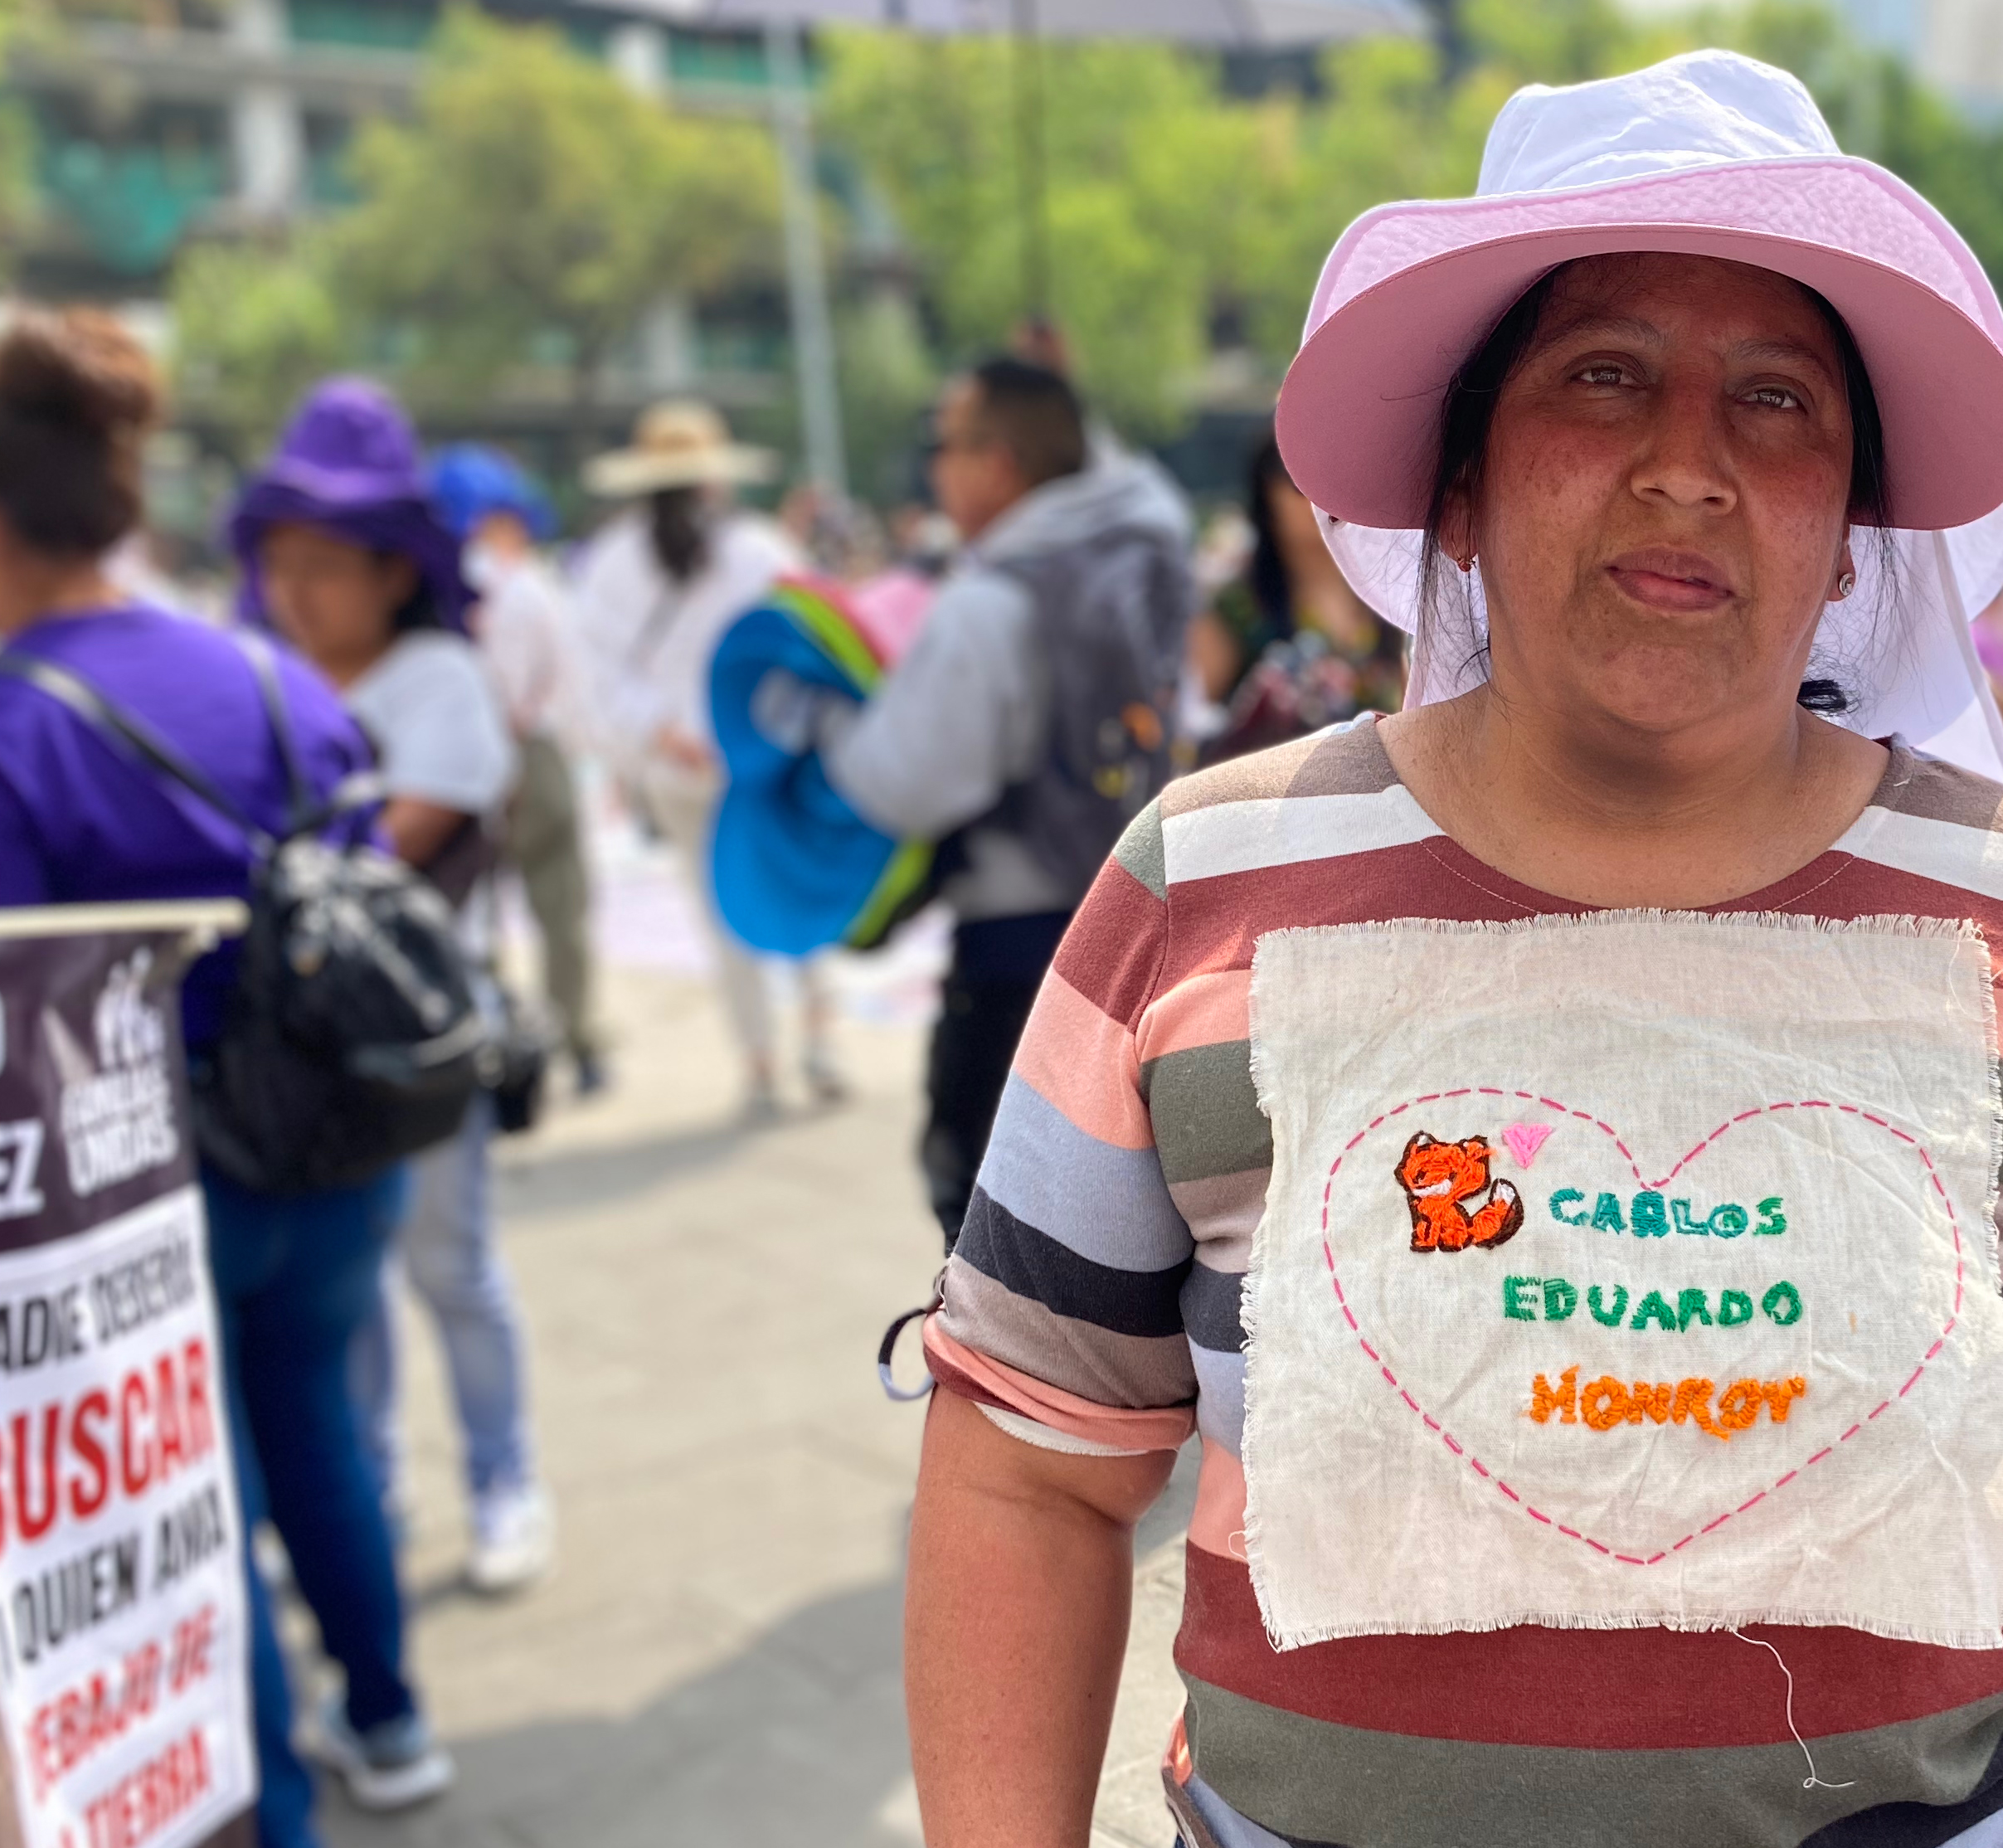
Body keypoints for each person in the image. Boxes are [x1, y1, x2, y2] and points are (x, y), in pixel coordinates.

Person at [900, 49, 2003, 1848]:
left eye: (1780, 403)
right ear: (1456, 476)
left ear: (1857, 518)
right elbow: (1029, 1474)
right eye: (1606, 377)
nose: (1689, 465)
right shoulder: (1196, 902)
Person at [0, 319, 450, 1848]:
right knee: (317, 1417)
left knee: (203, 1509)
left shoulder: (9, 723)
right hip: (340, 1144)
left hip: (155, 1176)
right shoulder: (266, 672)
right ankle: (389, 1727)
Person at [236, 382, 556, 1599]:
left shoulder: (440, 679)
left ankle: (503, 1479)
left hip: (413, 1038)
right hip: (296, 1052)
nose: (298, 588)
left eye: (326, 562)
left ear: (391, 570)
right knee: (344, 1284)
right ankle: (366, 1489)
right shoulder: (261, 673)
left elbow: (380, 857)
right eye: (281, 561)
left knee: (449, 1265)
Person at [814, 356, 1194, 1246]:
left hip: (1018, 955)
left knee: (1004, 1237)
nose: (935, 466)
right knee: (1141, 1224)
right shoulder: (1149, 554)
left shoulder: (993, 600)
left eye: (941, 442)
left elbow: (902, 780)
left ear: (998, 463)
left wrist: (830, 728)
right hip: (1157, 929)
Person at [571, 399, 840, 1118]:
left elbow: (598, 675)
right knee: (790, 891)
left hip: (682, 770)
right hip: (758, 765)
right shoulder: (759, 549)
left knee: (721, 910)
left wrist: (661, 733)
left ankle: (760, 1061)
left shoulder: (612, 564)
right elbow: (805, 650)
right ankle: (815, 1042)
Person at [433, 443, 606, 1095]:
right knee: (560, 909)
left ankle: (491, 1047)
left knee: (474, 913)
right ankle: (576, 1043)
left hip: (456, 757)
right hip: (532, 750)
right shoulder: (531, 585)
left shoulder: (434, 584)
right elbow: (569, 680)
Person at [1189, 430, 1403, 767]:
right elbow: (1193, 728)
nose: (1318, 500)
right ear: (1267, 495)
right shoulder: (1237, 608)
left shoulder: (1389, 595)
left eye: (1334, 481)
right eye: (1298, 484)